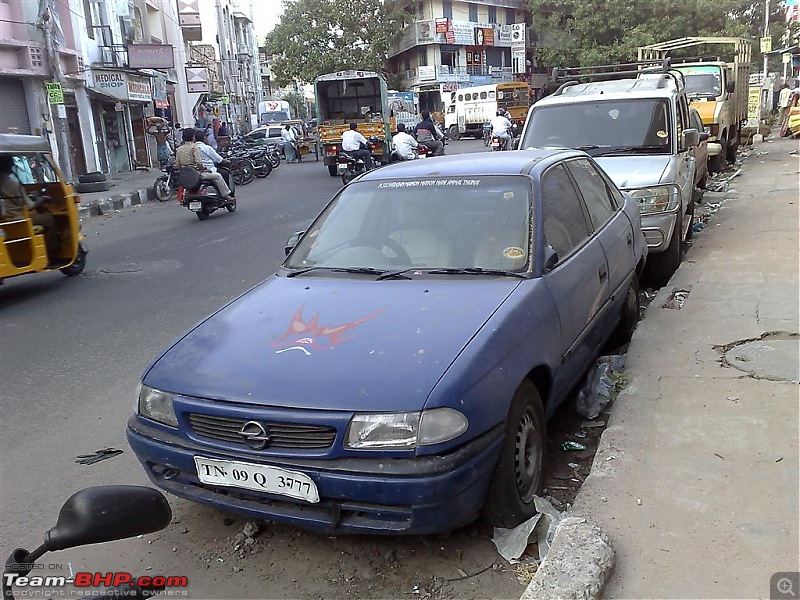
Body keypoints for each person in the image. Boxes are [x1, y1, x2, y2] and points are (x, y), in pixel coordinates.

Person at [0, 155, 58, 256]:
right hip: (17, 220)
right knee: (49, 219)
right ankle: (51, 251)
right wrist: (43, 199)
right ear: (10, 167)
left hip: (4, 220)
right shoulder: (13, 184)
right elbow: (30, 206)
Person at [174, 128, 234, 202]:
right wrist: (203, 169)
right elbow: (199, 162)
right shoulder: (194, 147)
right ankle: (226, 195)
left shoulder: (179, 149)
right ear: (193, 137)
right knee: (218, 176)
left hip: (186, 175)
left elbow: (177, 164)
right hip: (198, 173)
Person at [193, 129, 233, 194]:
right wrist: (228, 162)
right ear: (204, 138)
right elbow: (219, 159)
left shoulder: (192, 148)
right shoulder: (206, 148)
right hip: (208, 170)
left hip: (196, 172)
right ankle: (226, 194)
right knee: (225, 173)